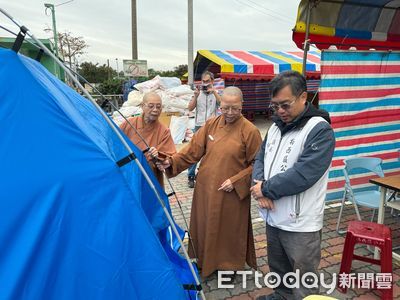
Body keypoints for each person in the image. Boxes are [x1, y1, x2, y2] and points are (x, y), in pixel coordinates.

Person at [158, 86, 262, 277]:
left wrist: (237, 180)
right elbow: (192, 151)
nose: (229, 113)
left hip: (232, 192)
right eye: (225, 108)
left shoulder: (251, 130)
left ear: (242, 106)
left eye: (235, 109)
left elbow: (258, 164)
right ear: (220, 105)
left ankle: (229, 265)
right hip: (206, 189)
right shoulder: (211, 124)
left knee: (229, 229)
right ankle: (206, 261)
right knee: (206, 226)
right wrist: (171, 162)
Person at [250, 71, 335, 300]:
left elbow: (304, 174)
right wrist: (259, 187)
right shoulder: (276, 126)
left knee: (304, 276)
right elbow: (260, 158)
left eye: (285, 105)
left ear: (303, 97)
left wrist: (266, 189)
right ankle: (281, 295)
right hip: (272, 214)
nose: (279, 111)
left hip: (300, 221)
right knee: (279, 269)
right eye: (275, 105)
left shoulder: (319, 129)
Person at [120, 92, 176, 188]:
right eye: (151, 106)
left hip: (151, 177)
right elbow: (115, 144)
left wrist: (158, 154)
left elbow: (170, 155)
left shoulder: (164, 131)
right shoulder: (128, 124)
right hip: (128, 174)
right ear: (142, 106)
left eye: (158, 107)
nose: (155, 110)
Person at [187, 71, 221, 188]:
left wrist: (214, 92)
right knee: (195, 151)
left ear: (212, 81)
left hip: (213, 126)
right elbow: (190, 108)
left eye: (207, 81)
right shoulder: (198, 93)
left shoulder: (215, 93)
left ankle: (202, 174)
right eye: (203, 81)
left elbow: (223, 104)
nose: (205, 83)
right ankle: (190, 175)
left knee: (210, 152)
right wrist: (195, 96)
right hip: (199, 126)